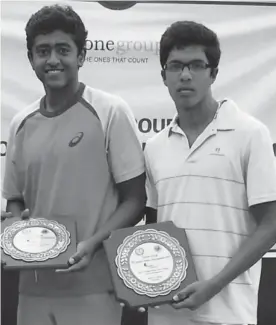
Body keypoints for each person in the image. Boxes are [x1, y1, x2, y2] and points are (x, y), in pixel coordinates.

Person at [2, 5, 146, 325]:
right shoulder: (20, 123)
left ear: (80, 56)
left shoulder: (110, 111)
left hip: (96, 288)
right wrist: (15, 226)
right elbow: (15, 200)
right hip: (32, 289)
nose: (53, 59)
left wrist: (93, 244)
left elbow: (136, 200)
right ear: (31, 60)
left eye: (63, 50)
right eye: (43, 51)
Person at [145, 21, 276, 325]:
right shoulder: (154, 147)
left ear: (213, 73)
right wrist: (142, 287)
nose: (186, 74)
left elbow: (270, 224)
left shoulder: (250, 133)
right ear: (164, 75)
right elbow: (153, 229)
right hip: (166, 313)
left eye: (196, 65)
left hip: (228, 313)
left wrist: (214, 284)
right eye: (175, 66)